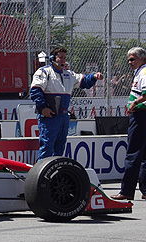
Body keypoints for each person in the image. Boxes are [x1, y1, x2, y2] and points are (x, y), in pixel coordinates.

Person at [31, 47, 103, 161]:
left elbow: (83, 81)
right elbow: (35, 91)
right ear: (53, 58)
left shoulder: (69, 74)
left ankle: (56, 171)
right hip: (50, 116)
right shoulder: (44, 71)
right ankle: (41, 174)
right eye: (60, 57)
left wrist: (94, 76)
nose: (63, 60)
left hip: (63, 115)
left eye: (64, 58)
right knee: (47, 146)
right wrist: (43, 107)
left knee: (60, 146)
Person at [111, 47, 146, 200]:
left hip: (140, 116)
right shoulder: (139, 71)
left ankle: (126, 191)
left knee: (133, 153)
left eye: (132, 59)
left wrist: (135, 103)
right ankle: (145, 190)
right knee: (144, 155)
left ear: (142, 58)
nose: (129, 62)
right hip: (141, 115)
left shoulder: (144, 72)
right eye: (129, 59)